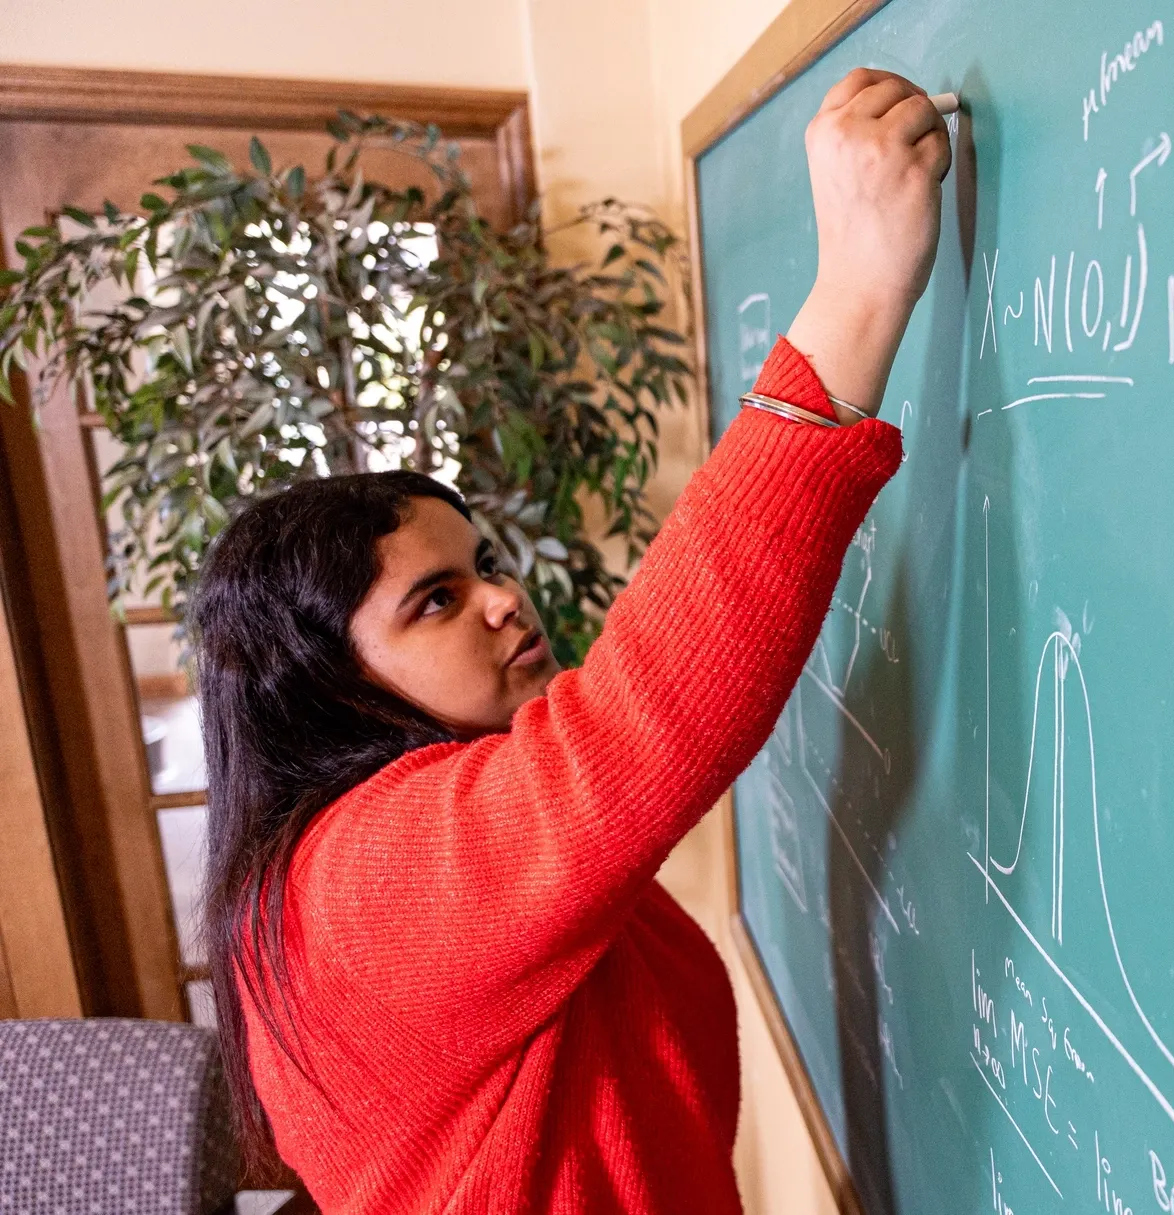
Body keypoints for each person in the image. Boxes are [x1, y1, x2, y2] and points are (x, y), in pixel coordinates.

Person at [191, 68, 950, 1213]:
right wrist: (855, 290)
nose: (504, 599)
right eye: (435, 601)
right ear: (325, 684)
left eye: (483, 565)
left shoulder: (356, 845)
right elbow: (642, 721)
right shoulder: (359, 881)